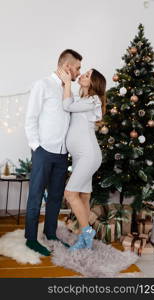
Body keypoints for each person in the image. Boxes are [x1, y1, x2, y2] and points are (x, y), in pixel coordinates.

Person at [24, 49, 82, 256]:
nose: (78, 72)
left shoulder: (69, 90)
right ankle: (31, 238)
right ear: (67, 66)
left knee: (56, 197)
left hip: (61, 153)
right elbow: (31, 118)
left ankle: (50, 234)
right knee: (36, 195)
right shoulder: (43, 85)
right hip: (43, 151)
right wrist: (36, 147)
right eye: (77, 67)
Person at [58, 68, 106, 251]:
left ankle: (87, 232)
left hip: (89, 155)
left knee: (70, 194)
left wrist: (68, 83)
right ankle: (85, 240)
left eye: (87, 75)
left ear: (94, 83)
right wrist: (67, 86)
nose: (82, 76)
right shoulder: (82, 100)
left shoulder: (94, 100)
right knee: (84, 196)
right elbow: (70, 103)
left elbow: (67, 106)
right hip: (80, 156)